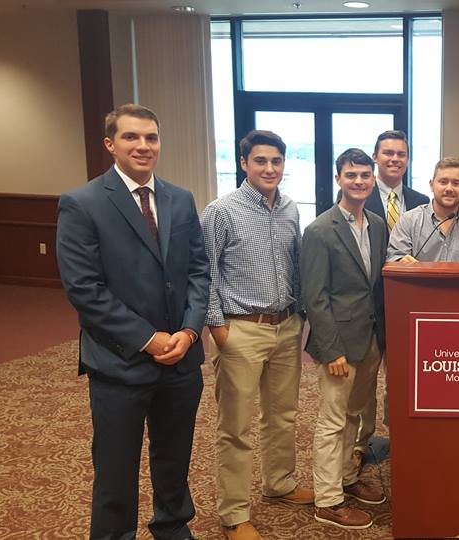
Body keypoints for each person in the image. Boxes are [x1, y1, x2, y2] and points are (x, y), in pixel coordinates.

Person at [56, 104, 209, 540]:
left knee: (174, 456)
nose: (143, 146)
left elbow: (199, 271)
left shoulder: (180, 199)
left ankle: (172, 524)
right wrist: (148, 338)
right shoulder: (82, 203)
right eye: (131, 137)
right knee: (116, 466)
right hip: (119, 361)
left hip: (181, 357)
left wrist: (189, 330)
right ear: (110, 144)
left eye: (151, 138)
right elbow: (84, 290)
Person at [201, 130, 313, 540]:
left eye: (277, 161)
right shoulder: (221, 211)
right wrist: (218, 328)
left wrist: (300, 314)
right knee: (236, 427)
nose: (270, 168)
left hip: (285, 327)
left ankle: (279, 483)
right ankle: (233, 513)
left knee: (282, 415)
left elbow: (296, 263)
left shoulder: (289, 209)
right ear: (244, 163)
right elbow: (206, 272)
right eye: (261, 161)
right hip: (240, 330)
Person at [301, 148, 388, 530]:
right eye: (351, 175)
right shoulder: (320, 230)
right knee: (333, 420)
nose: (359, 181)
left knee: (355, 414)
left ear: (373, 180)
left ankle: (348, 479)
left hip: (369, 340)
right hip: (338, 344)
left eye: (365, 175)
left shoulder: (377, 223)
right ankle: (327, 499)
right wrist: (331, 349)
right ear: (339, 179)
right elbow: (314, 297)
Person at [347, 130, 428, 468]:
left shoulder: (423, 199)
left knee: (407, 380)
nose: (395, 159)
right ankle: (360, 444)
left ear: (408, 160)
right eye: (388, 153)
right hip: (370, 309)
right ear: (376, 157)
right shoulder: (358, 196)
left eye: (401, 154)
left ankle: (403, 438)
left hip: (411, 311)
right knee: (363, 385)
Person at [388, 157, 459, 263]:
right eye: (443, 182)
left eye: (456, 183)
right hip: (415, 280)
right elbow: (394, 261)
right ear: (431, 185)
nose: (449, 189)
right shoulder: (408, 221)